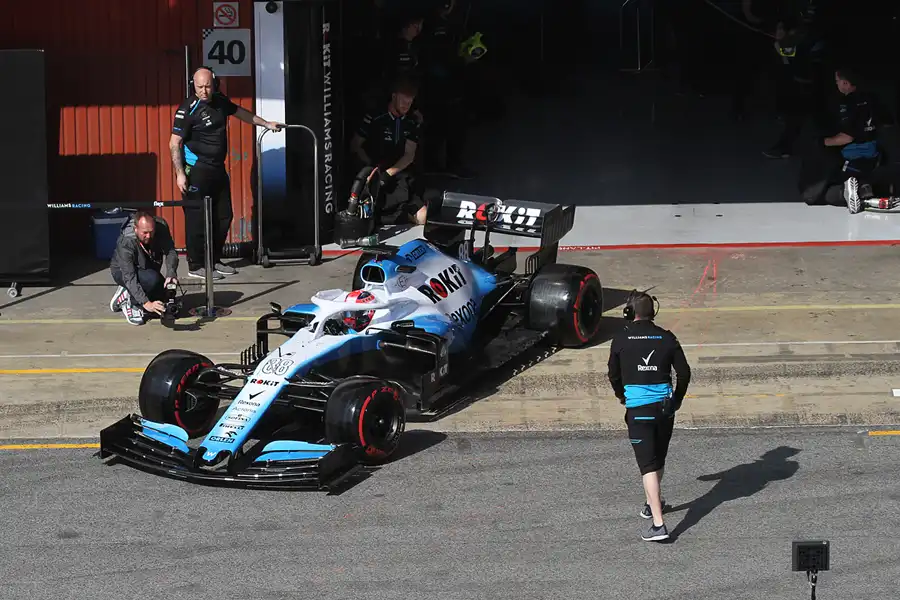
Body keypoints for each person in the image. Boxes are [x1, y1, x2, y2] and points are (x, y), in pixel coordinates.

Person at [169, 66, 283, 280]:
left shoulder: (220, 101)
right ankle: (196, 265)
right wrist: (179, 174)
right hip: (196, 170)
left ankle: (214, 260)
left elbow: (241, 113)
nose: (204, 91)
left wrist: (266, 123)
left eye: (207, 86)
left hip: (217, 168)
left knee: (223, 215)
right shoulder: (187, 109)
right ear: (193, 86)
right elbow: (174, 143)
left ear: (214, 84)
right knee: (197, 219)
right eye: (199, 87)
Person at [607, 292, 692, 542]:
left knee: (647, 466)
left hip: (639, 411)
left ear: (629, 313)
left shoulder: (621, 339)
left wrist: (622, 396)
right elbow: (684, 373)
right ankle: (650, 503)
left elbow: (613, 374)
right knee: (658, 458)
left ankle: (658, 524)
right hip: (665, 410)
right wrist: (676, 399)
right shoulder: (667, 337)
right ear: (652, 312)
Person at [349, 76, 428, 226]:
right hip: (373, 172)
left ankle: (402, 214)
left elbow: (409, 155)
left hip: (399, 174)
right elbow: (355, 145)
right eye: (403, 100)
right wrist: (370, 169)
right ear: (394, 96)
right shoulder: (375, 117)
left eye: (410, 101)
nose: (407, 105)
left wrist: (387, 174)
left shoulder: (412, 121)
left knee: (423, 217)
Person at [800, 67, 880, 206]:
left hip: (852, 158)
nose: (836, 84)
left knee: (812, 195)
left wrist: (821, 142)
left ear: (846, 83)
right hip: (874, 156)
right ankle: (864, 187)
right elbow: (887, 123)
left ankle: (845, 191)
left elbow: (846, 138)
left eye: (837, 81)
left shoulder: (848, 104)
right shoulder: (872, 98)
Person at [109, 211, 179, 326]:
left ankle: (125, 294)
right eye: (145, 233)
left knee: (163, 297)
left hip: (147, 268)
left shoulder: (161, 226)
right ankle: (131, 303)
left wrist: (171, 273)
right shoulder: (126, 241)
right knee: (151, 280)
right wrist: (146, 303)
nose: (148, 236)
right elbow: (129, 276)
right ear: (135, 228)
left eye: (151, 232)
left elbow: (170, 251)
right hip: (123, 271)